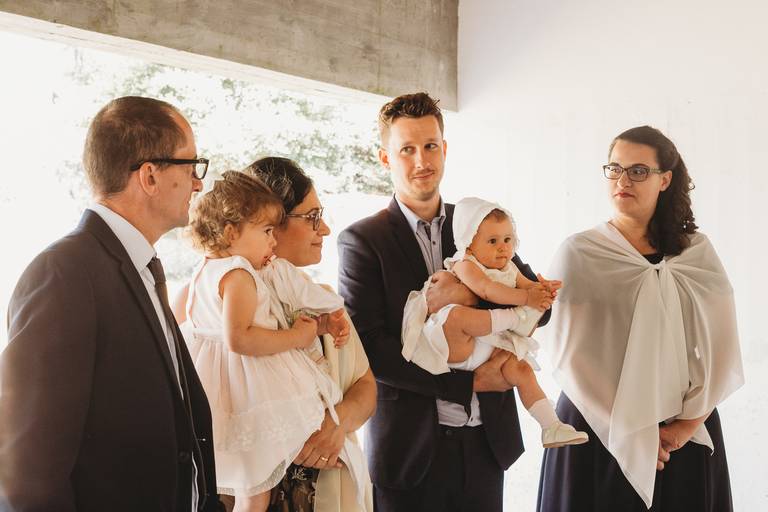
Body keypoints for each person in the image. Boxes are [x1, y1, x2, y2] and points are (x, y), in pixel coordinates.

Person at [0, 96, 222, 511]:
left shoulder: (140, 267)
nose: (198, 182)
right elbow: (27, 472)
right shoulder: (63, 273)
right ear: (150, 176)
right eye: (191, 165)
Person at [337, 92, 551, 512]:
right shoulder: (363, 241)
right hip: (408, 451)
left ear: (445, 148)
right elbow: (371, 347)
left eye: (431, 146)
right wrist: (463, 383)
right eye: (407, 149)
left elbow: (538, 307)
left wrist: (470, 293)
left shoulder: (477, 222)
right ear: (385, 158)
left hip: (486, 443)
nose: (422, 161)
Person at [537, 126, 744, 511]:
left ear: (665, 179)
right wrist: (632, 432)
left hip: (682, 429)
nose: (622, 180)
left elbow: (722, 343)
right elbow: (569, 356)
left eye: (637, 171)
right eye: (614, 169)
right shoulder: (580, 253)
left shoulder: (695, 252)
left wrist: (684, 427)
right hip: (600, 426)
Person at [178, 170, 370, 512]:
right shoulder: (234, 278)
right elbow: (230, 339)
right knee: (251, 491)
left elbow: (366, 386)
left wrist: (335, 426)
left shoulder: (319, 297)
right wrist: (299, 335)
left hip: (317, 485)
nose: (323, 229)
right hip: (237, 433)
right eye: (312, 217)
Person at [401, 197, 588, 449]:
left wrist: (543, 289)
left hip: (487, 345)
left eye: (508, 240)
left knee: (520, 369)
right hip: (456, 345)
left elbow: (528, 286)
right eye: (493, 242)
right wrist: (525, 300)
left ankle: (551, 426)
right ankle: (514, 319)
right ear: (469, 245)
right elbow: (487, 290)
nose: (503, 248)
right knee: (458, 314)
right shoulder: (465, 263)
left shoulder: (507, 264)